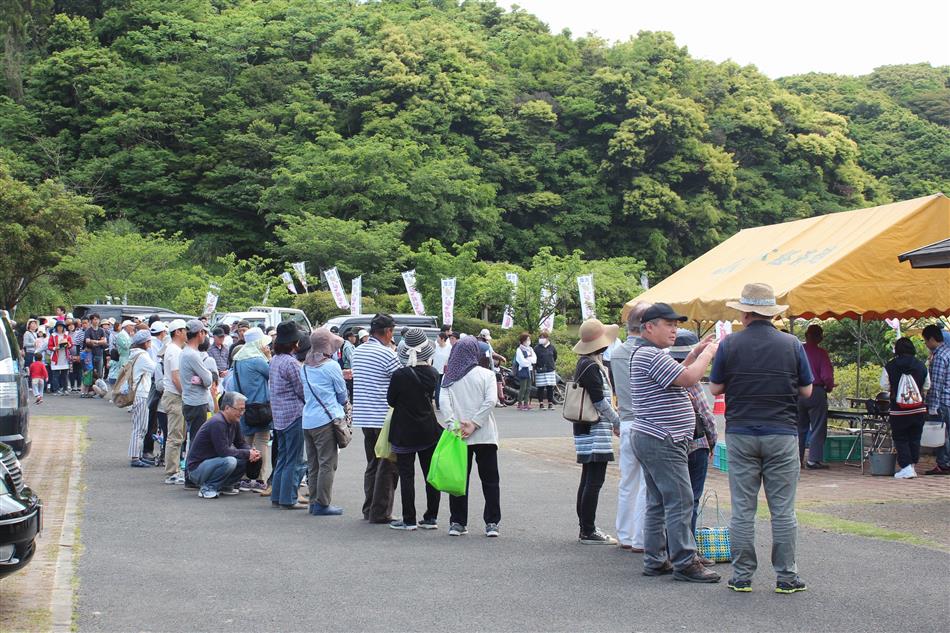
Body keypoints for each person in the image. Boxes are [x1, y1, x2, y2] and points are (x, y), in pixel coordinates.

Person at [709, 283, 813, 594]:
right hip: (781, 433)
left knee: (743, 508)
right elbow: (807, 390)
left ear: (745, 313)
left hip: (741, 434)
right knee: (783, 509)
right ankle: (786, 576)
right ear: (771, 313)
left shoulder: (730, 345)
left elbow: (715, 389)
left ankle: (742, 576)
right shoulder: (792, 344)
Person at [632, 303, 720, 583]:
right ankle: (685, 562)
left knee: (658, 501)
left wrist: (694, 353)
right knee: (680, 500)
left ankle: (656, 559)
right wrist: (707, 354)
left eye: (676, 324)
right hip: (663, 438)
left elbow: (675, 377)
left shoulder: (649, 355)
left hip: (654, 436)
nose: (674, 330)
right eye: (668, 324)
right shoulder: (651, 355)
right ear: (649, 327)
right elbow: (689, 378)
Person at [439, 336, 501, 537]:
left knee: (459, 479)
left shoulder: (449, 377)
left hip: (459, 436)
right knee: (490, 480)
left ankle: (457, 522)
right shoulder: (487, 374)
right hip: (485, 435)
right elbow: (491, 401)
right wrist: (475, 423)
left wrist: (454, 425)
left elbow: (444, 403)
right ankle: (492, 522)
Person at [570, 319, 622, 544]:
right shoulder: (592, 367)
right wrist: (617, 421)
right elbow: (600, 401)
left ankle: (586, 526)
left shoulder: (585, 363)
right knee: (594, 479)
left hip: (585, 426)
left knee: (588, 477)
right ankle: (588, 529)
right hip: (594, 428)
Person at [387, 328, 442, 531]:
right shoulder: (433, 373)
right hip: (428, 428)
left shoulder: (399, 375)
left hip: (404, 430)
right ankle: (431, 517)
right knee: (430, 474)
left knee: (407, 475)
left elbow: (391, 401)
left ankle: (409, 519)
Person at [669, 329, 718, 551]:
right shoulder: (692, 380)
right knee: (692, 500)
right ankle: (688, 549)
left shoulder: (664, 375)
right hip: (695, 445)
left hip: (668, 444)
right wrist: (713, 442)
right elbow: (707, 417)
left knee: (669, 501)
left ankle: (669, 547)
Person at [352, 314, 401, 523]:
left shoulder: (358, 352)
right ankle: (380, 512)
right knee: (387, 465)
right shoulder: (387, 354)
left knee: (373, 463)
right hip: (384, 417)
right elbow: (402, 379)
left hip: (364, 416)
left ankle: (369, 507)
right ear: (388, 331)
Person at [612, 302, 650, 553]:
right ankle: (641, 537)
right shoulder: (652, 353)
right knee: (648, 483)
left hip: (626, 420)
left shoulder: (616, 353)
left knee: (628, 481)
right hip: (647, 422)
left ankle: (625, 534)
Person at [301, 328, 348, 515]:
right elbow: (342, 394)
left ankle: (314, 501)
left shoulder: (304, 366)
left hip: (308, 420)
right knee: (327, 463)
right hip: (326, 420)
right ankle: (322, 503)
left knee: (313, 465)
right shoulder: (331, 366)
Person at [186, 392, 261, 499]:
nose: (242, 413)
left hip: (212, 463)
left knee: (244, 458)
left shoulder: (234, 421)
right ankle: (207, 488)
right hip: (196, 469)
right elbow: (224, 452)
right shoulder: (218, 422)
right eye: (239, 409)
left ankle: (224, 486)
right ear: (227, 408)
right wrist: (247, 453)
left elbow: (240, 443)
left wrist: (252, 452)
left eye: (243, 409)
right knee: (230, 461)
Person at [269, 322, 308, 509]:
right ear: (294, 342)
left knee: (283, 458)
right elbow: (302, 390)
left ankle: (277, 495)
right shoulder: (291, 363)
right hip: (294, 414)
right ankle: (288, 498)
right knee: (294, 459)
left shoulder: (275, 360)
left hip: (279, 415)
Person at [881, 337, 930, 479]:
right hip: (918, 409)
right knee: (915, 437)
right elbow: (927, 385)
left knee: (900, 437)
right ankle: (912, 465)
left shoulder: (890, 366)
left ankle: (906, 467)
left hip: (899, 410)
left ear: (897, 350)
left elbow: (884, 385)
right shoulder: (921, 365)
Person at [232, 327, 272, 492]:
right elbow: (273, 374)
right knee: (262, 441)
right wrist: (268, 357)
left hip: (243, 406)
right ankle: (259, 478)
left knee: (245, 442)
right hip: (260, 407)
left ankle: (244, 478)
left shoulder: (238, 359)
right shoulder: (257, 360)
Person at [798, 324, 835, 469]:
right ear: (820, 337)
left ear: (806, 335)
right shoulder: (821, 353)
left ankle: (796, 459)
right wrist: (830, 386)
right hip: (816, 391)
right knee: (818, 426)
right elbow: (826, 375)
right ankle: (813, 460)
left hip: (799, 391)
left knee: (799, 428)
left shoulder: (799, 350)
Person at [180, 320, 215, 457]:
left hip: (189, 400)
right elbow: (208, 379)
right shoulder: (193, 355)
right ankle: (192, 473)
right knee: (197, 440)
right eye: (204, 332)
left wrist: (199, 379)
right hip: (197, 402)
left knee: (193, 438)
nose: (205, 335)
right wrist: (203, 379)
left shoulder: (186, 352)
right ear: (199, 333)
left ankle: (191, 471)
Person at [160, 319, 188, 485]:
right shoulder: (175, 351)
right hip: (175, 396)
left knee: (177, 434)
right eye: (184, 330)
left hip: (173, 395)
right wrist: (185, 394)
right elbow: (176, 376)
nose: (186, 333)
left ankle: (174, 469)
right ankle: (172, 471)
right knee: (175, 435)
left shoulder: (173, 349)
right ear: (177, 332)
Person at [923, 324, 950, 475]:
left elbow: (936, 383)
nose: (926, 344)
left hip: (943, 402)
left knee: (942, 433)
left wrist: (932, 406)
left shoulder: (939, 356)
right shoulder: (948, 352)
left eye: (926, 341)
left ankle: (943, 464)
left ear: (932, 339)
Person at [126, 331, 156, 468]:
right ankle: (135, 457)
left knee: (139, 426)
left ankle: (136, 455)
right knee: (140, 427)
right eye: (149, 341)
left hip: (136, 393)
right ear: (145, 343)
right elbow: (155, 368)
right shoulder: (142, 356)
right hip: (141, 394)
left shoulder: (134, 354)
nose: (150, 344)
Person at [477, 328, 507, 406]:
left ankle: (494, 401)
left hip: (487, 366)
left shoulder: (487, 343)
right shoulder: (478, 343)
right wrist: (501, 357)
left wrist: (499, 357)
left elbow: (492, 353)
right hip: (480, 366)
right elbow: (493, 354)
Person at [532, 331, 558, 410]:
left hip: (550, 369)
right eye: (540, 338)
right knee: (541, 387)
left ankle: (550, 403)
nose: (541, 339)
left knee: (550, 387)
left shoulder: (552, 347)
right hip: (540, 370)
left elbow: (555, 356)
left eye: (543, 338)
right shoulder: (537, 348)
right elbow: (534, 358)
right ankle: (541, 403)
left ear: (547, 338)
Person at [47, 320, 72, 395]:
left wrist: (68, 345)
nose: (60, 328)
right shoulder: (53, 335)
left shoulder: (66, 335)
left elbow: (71, 344)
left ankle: (65, 389)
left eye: (61, 326)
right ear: (56, 327)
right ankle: (56, 389)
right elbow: (49, 346)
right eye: (59, 326)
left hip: (64, 356)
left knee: (65, 375)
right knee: (55, 375)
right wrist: (55, 348)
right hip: (56, 357)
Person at [512, 332, 536, 411]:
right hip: (523, 370)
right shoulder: (519, 350)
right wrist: (529, 360)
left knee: (529, 387)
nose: (529, 341)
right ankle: (520, 403)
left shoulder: (530, 349)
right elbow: (521, 361)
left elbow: (534, 359)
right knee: (523, 387)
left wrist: (528, 360)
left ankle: (526, 403)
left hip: (529, 370)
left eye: (529, 339)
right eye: (527, 340)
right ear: (523, 340)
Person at [108, 320, 135, 384]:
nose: (133, 327)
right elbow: (126, 346)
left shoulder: (126, 335)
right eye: (131, 325)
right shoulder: (121, 335)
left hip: (128, 357)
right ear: (127, 326)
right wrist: (131, 338)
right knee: (124, 375)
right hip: (123, 357)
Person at [432, 331, 453, 409]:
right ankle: (438, 405)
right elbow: (431, 357)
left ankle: (442, 404)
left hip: (445, 371)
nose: (436, 339)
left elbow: (450, 359)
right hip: (435, 370)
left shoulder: (449, 347)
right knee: (437, 388)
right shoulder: (435, 346)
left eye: (438, 337)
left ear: (442, 339)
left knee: (443, 388)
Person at [84, 314, 108, 381]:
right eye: (94, 319)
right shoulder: (88, 331)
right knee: (90, 371)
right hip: (90, 353)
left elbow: (104, 341)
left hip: (99, 353)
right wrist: (99, 341)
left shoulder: (101, 330)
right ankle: (89, 388)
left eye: (97, 319)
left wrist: (96, 342)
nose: (96, 321)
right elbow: (87, 341)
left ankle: (98, 388)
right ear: (91, 320)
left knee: (99, 372)